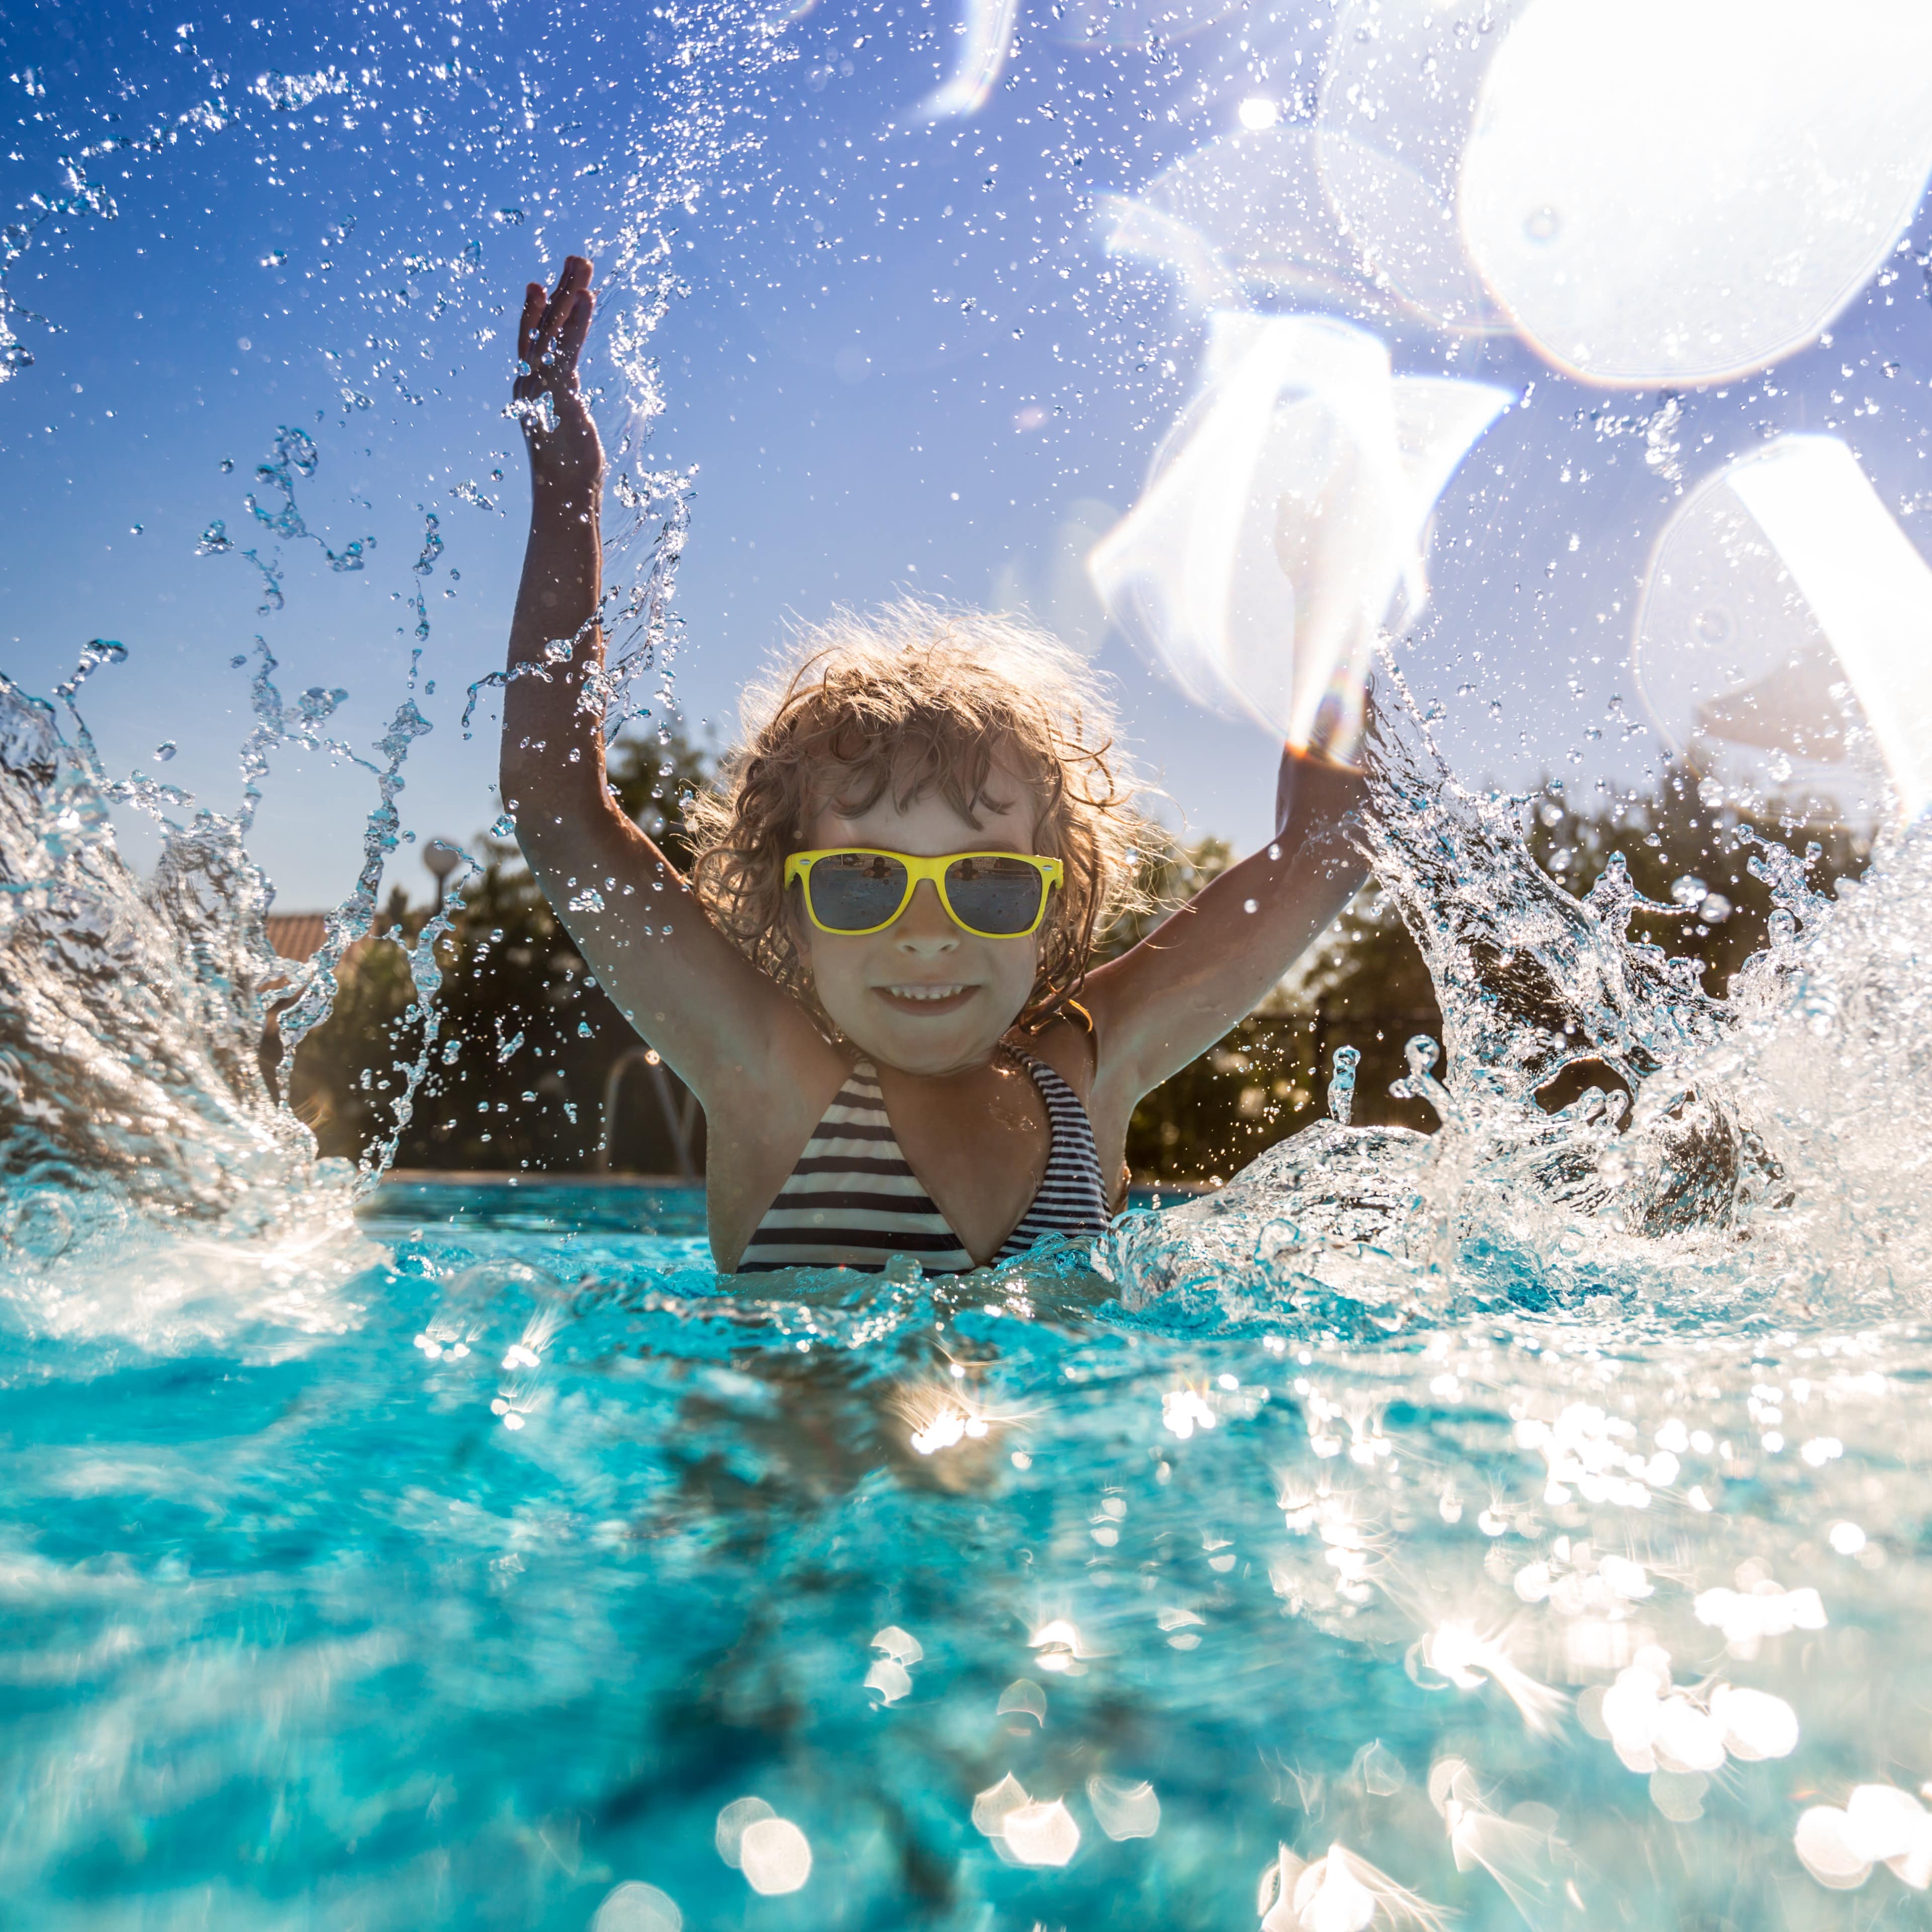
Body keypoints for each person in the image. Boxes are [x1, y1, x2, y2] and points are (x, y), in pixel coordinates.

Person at [502, 256, 1370, 1273]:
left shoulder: (1089, 1072)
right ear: (791, 904)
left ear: (1056, 904)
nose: (927, 936)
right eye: (864, 879)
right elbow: (557, 807)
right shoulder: (768, 1071)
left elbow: (1329, 851)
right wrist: (568, 488)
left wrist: (1331, 604)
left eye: (990, 884)